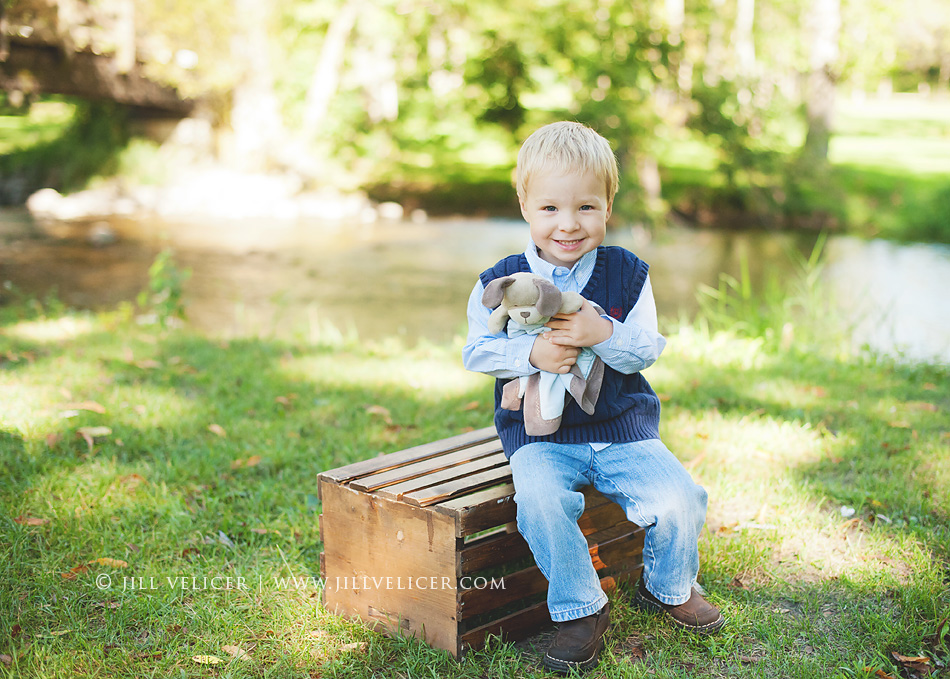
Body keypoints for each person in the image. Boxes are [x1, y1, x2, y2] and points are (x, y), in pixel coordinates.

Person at [462, 121, 723, 674]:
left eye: (586, 207)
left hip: (621, 426)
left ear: (608, 205)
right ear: (525, 204)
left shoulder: (627, 273)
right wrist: (531, 357)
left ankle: (669, 586)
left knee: (681, 498)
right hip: (541, 434)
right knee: (540, 500)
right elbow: (477, 352)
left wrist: (602, 334)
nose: (568, 224)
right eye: (551, 208)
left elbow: (646, 349)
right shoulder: (502, 280)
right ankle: (581, 606)